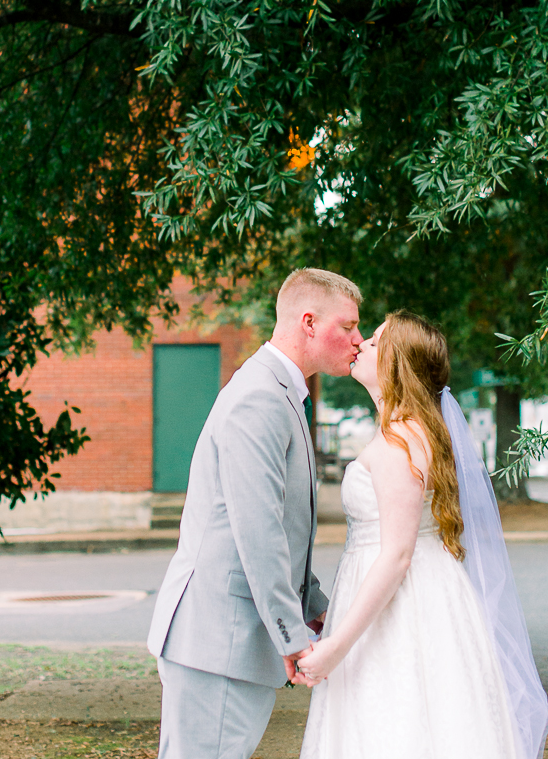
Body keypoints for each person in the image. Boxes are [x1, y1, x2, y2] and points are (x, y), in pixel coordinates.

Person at [297, 310, 548, 759]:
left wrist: (335, 647)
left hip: (402, 609)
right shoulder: (415, 432)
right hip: (428, 598)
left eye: (375, 342)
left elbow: (396, 555)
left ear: (396, 365)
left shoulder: (399, 443)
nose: (361, 344)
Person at [147, 268, 363, 759]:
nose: (357, 340)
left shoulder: (280, 392)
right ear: (308, 322)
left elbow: (284, 524)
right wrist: (292, 637)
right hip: (218, 639)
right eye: (348, 326)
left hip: (225, 640)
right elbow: (258, 531)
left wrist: (315, 606)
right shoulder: (261, 397)